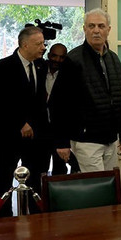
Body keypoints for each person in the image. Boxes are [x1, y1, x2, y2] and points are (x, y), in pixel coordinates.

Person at [51, 9, 121, 172]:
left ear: (108, 29)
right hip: (86, 140)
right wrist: (62, 142)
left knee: (110, 188)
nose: (96, 30)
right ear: (84, 29)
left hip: (110, 139)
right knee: (97, 190)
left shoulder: (114, 59)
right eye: (91, 26)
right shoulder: (73, 60)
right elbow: (57, 103)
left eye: (101, 26)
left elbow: (118, 99)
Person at [0, 25, 49, 216]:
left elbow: (40, 100)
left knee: (36, 178)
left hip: (36, 135)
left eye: (43, 43)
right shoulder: (2, 67)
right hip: (9, 135)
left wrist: (34, 124)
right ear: (24, 44)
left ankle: (35, 215)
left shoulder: (41, 66)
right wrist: (20, 123)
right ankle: (3, 216)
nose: (43, 47)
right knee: (5, 177)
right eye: (39, 44)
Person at [45, 43, 79, 176]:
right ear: (49, 55)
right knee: (39, 169)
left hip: (61, 131)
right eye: (54, 56)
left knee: (60, 170)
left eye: (61, 57)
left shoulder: (70, 75)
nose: (57, 60)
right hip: (41, 131)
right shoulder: (40, 70)